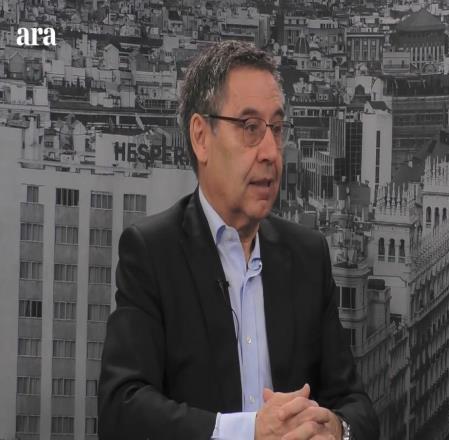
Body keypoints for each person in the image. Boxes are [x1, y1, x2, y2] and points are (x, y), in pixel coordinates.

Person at [98, 40, 379, 440]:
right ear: (201, 137)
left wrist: (334, 428)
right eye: (250, 128)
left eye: (276, 129)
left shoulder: (307, 255)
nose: (271, 152)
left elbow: (357, 406)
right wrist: (248, 432)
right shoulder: (152, 253)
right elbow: (122, 408)